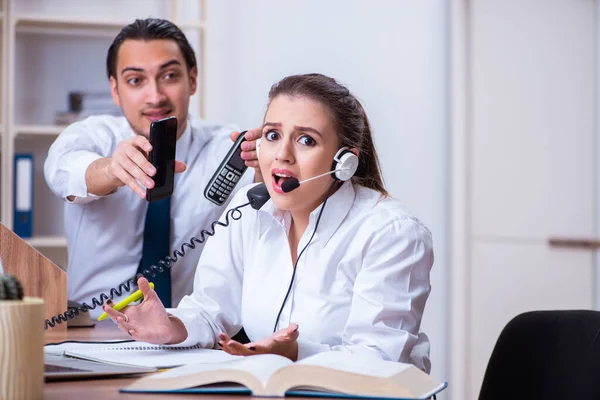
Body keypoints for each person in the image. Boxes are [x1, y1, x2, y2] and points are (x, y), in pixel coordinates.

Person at [103, 73, 434, 372]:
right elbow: (211, 307)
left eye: (306, 140)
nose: (282, 155)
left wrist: (295, 352)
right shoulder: (250, 206)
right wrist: (173, 326)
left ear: (345, 162)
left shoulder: (391, 232)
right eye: (273, 135)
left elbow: (379, 359)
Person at [44, 18, 260, 317]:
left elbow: (264, 230)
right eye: (135, 81)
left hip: (189, 332)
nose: (155, 96)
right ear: (115, 89)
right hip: (92, 328)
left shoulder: (227, 148)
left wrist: (267, 173)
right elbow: (61, 170)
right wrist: (110, 170)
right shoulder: (93, 135)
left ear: (192, 80)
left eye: (170, 76)